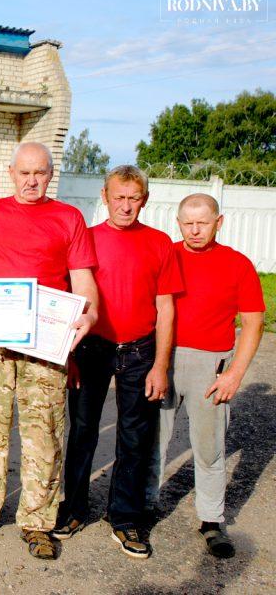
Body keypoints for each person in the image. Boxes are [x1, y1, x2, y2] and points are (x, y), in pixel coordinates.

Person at [0, 142, 99, 560]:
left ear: (51, 175)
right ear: (11, 172)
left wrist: (91, 313)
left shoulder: (69, 218)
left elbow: (82, 278)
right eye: (25, 173)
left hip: (46, 342)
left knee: (44, 431)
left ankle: (37, 522)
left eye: (41, 173)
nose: (32, 181)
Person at [52, 166, 182, 559]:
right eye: (119, 197)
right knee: (83, 431)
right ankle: (73, 509)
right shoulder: (86, 240)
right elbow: (70, 301)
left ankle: (125, 519)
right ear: (105, 196)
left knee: (134, 436)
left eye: (134, 198)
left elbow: (166, 309)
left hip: (139, 350)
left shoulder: (160, 243)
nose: (126, 206)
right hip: (92, 347)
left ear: (145, 199)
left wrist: (161, 365)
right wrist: (68, 356)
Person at [148, 193, 265, 559]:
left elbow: (254, 322)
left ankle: (211, 520)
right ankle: (145, 505)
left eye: (203, 222)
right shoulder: (166, 256)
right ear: (178, 223)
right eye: (188, 222)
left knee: (209, 447)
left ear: (219, 222)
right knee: (154, 439)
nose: (195, 230)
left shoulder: (237, 264)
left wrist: (234, 374)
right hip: (165, 358)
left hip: (211, 364)